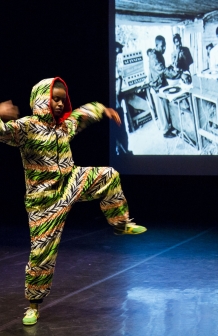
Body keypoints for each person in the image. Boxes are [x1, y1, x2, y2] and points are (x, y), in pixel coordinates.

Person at [0, 77, 147, 326]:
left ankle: (120, 223)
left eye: (62, 99)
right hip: (44, 202)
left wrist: (103, 110)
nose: (59, 104)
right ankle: (33, 306)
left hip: (71, 181)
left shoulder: (63, 127)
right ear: (41, 100)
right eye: (53, 99)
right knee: (41, 255)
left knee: (108, 176)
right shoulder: (26, 127)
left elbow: (81, 115)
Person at [148, 35, 179, 138]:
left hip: (162, 86)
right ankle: (165, 131)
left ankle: (170, 127)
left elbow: (164, 69)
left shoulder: (159, 54)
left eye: (165, 45)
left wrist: (172, 68)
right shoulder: (153, 56)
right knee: (162, 111)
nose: (164, 48)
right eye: (162, 46)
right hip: (157, 88)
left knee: (166, 108)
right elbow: (162, 70)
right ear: (156, 45)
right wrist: (176, 73)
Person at [113, 41, 132, 155]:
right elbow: (118, 80)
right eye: (116, 53)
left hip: (116, 105)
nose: (116, 57)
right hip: (112, 108)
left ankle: (123, 152)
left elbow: (118, 79)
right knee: (119, 134)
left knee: (122, 133)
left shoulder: (114, 64)